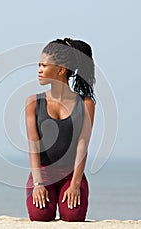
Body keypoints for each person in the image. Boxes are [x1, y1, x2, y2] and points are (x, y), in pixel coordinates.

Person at [25, 37, 96, 222]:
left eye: (43, 65)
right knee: (40, 215)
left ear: (60, 69)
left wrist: (75, 184)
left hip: (71, 175)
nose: (39, 71)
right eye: (38, 65)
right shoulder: (33, 102)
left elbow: (82, 146)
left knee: (73, 216)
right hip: (43, 173)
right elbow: (34, 147)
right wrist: (38, 183)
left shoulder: (86, 104)